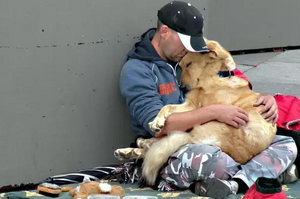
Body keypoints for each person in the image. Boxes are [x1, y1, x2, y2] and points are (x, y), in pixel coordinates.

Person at [119, 1, 298, 198]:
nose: (188, 50)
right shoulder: (137, 70)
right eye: (186, 43)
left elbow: (231, 82)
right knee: (209, 159)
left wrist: (265, 99)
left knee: (287, 143)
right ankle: (263, 173)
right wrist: (215, 112)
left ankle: (236, 183)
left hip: (223, 138)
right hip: (174, 147)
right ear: (164, 32)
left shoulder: (190, 54)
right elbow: (159, 127)